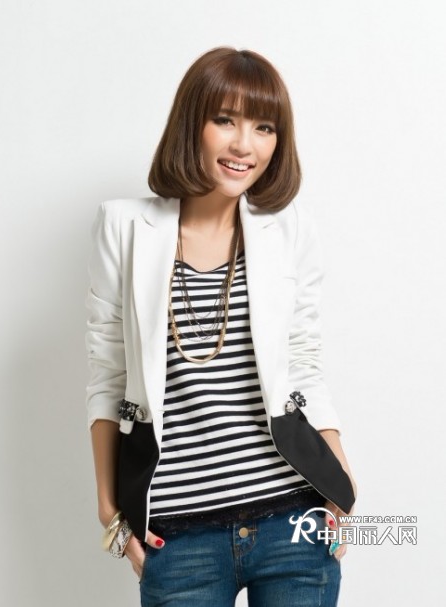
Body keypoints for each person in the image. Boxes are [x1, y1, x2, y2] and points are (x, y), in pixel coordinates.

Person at [86, 46, 357, 607]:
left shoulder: (288, 229)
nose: (244, 145)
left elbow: (303, 362)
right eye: (225, 120)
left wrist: (341, 482)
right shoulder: (124, 227)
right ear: (193, 124)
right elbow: (107, 375)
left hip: (293, 521)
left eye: (264, 127)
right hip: (178, 537)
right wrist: (110, 510)